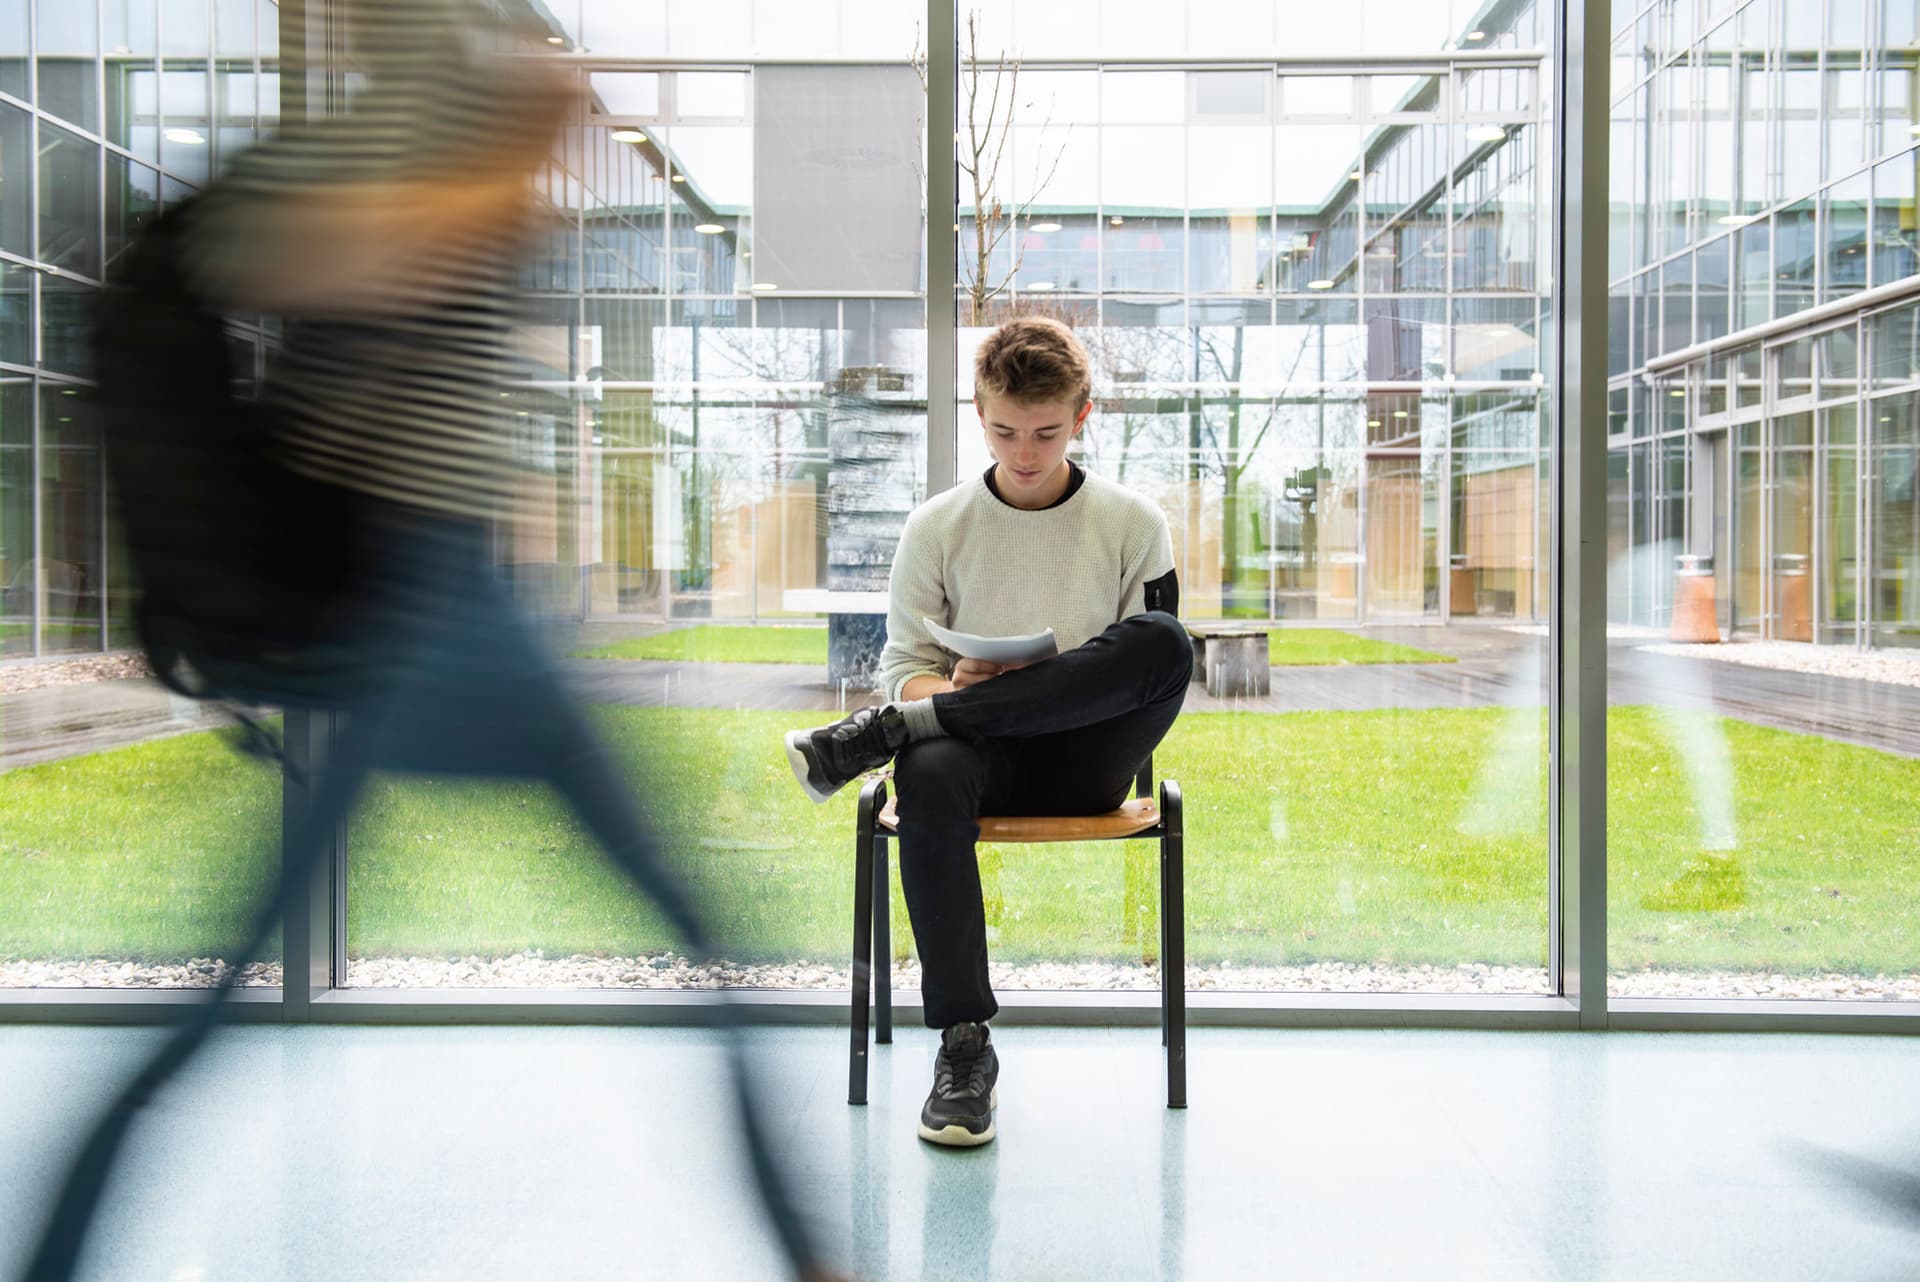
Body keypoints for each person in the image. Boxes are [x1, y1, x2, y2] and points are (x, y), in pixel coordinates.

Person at [21, 5, 841, 1280]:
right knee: (697, 935)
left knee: (699, 938)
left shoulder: (458, 73)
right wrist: (501, 173)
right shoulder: (413, 97)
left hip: (460, 600)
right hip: (413, 605)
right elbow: (293, 257)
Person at [785, 316, 1191, 1148]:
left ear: (1083, 415)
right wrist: (951, 691)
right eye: (1004, 430)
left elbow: (1138, 670)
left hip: (1091, 758)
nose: (1026, 451)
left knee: (1165, 640)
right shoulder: (936, 527)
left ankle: (879, 736)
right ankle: (964, 1047)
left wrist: (1019, 693)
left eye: (1046, 431)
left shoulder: (1133, 522)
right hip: (974, 760)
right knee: (927, 773)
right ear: (978, 411)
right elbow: (904, 665)